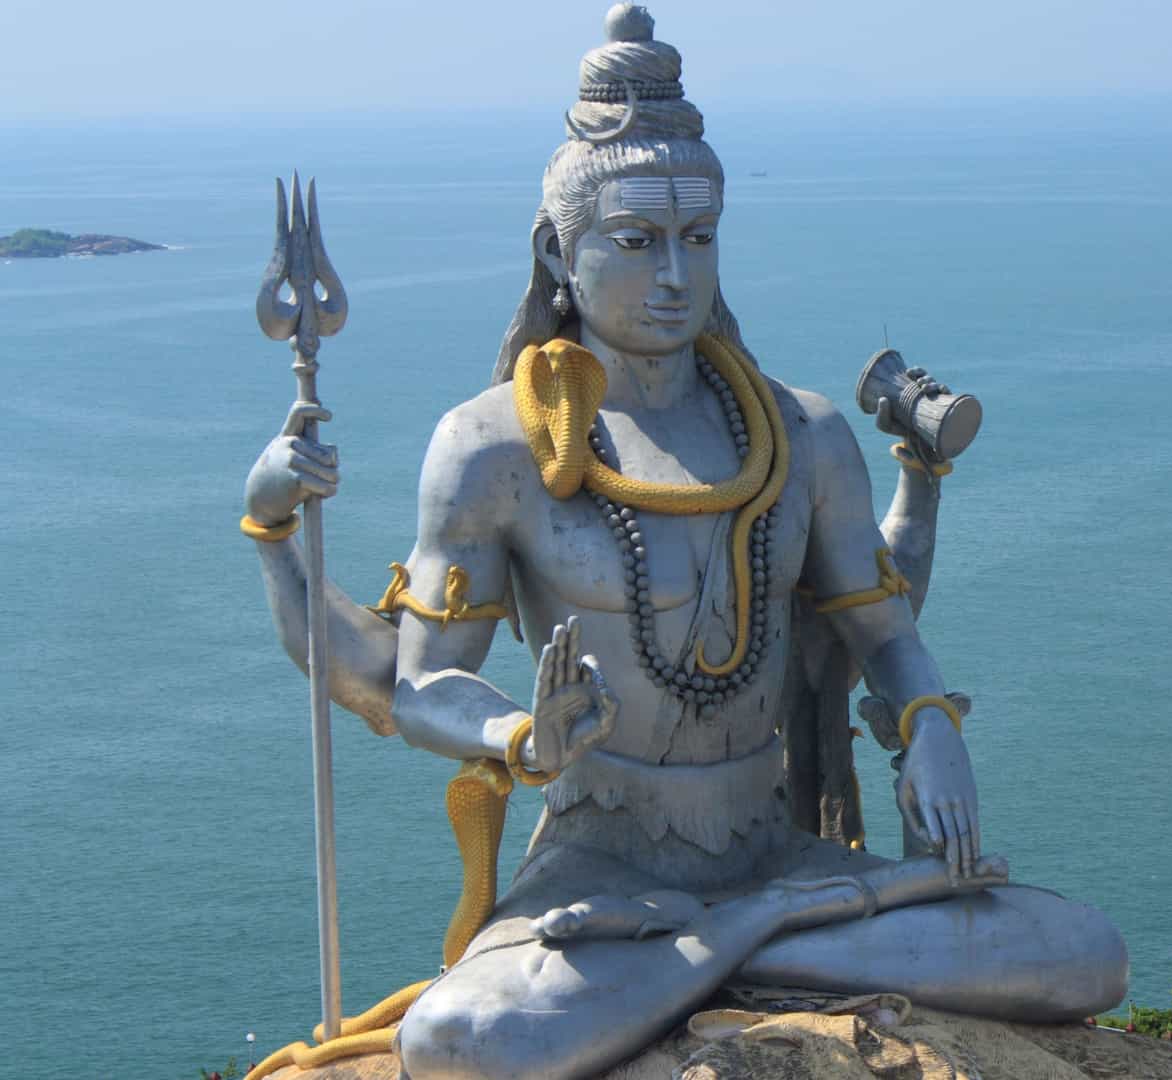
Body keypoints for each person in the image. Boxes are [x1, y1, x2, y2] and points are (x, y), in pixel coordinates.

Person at [241, 7, 1125, 1078]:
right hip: (601, 867)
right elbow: (423, 683)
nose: (673, 275)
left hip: (773, 846)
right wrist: (525, 737)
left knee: (1083, 955)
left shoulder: (800, 434)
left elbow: (884, 634)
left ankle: (730, 941)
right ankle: (764, 940)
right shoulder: (493, 447)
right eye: (636, 240)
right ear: (557, 253)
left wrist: (931, 724)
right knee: (458, 1039)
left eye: (697, 240)